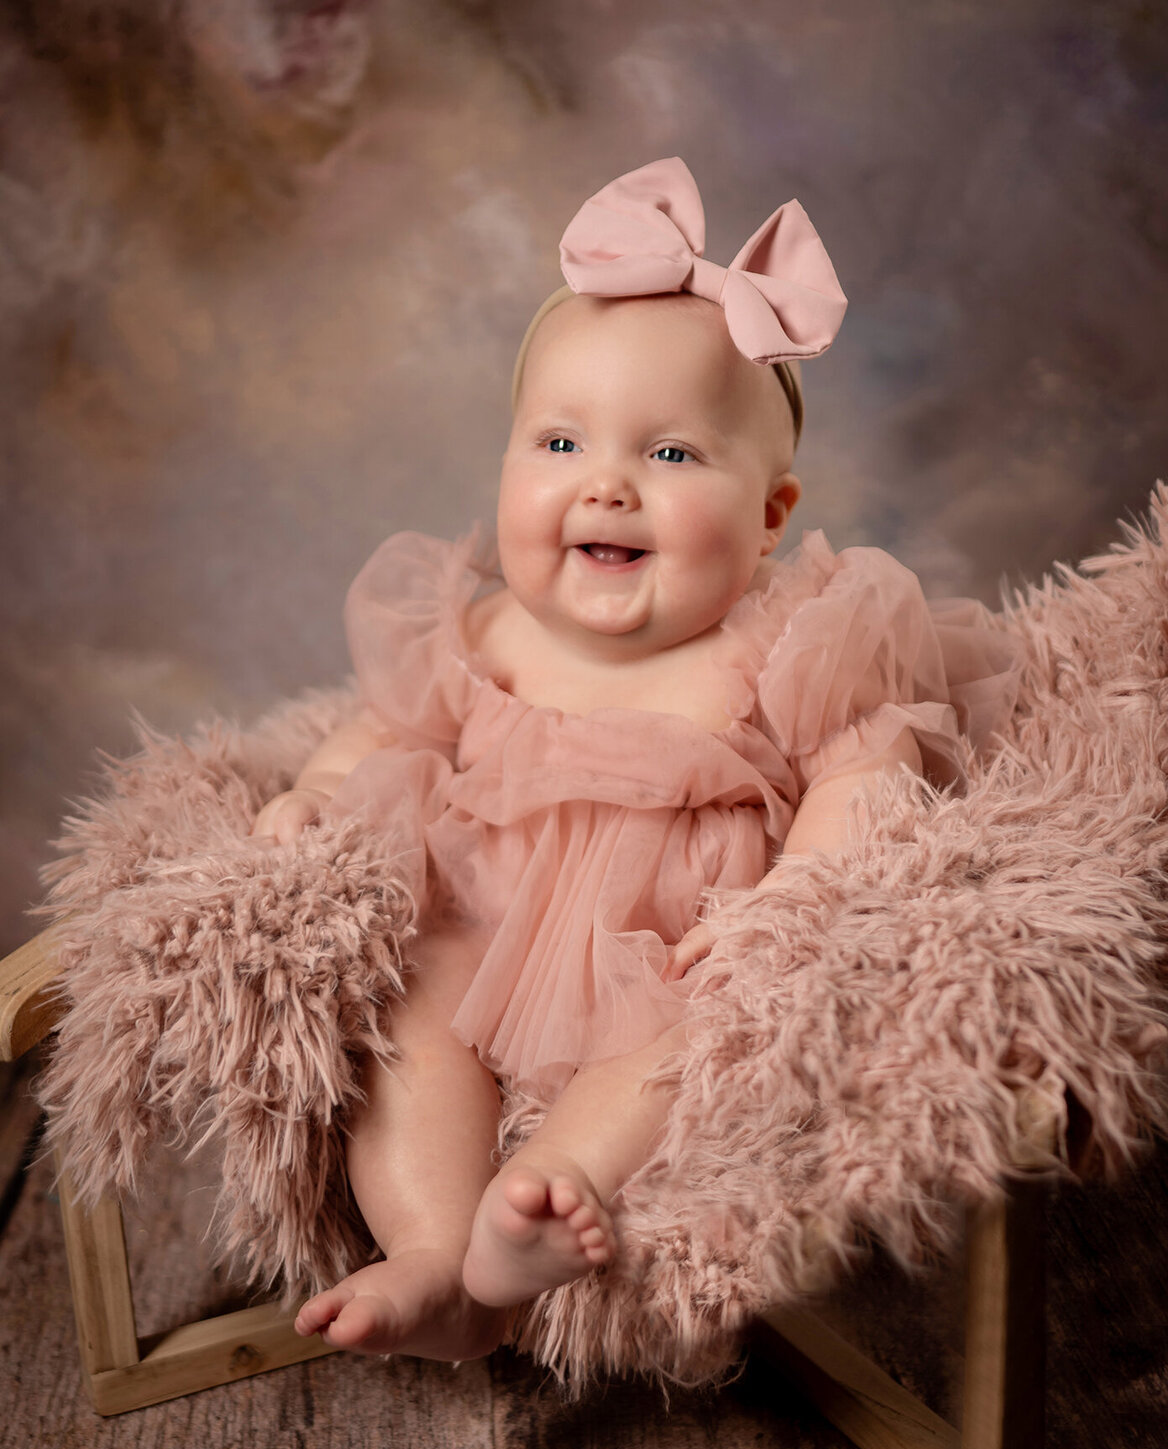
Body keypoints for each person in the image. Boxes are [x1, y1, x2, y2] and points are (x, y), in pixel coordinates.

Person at [251, 158, 1016, 1362]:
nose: (603, 480)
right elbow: (394, 729)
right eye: (560, 439)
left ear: (769, 516)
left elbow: (865, 766)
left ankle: (545, 1200)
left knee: (682, 1040)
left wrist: (801, 895)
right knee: (412, 1010)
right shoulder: (485, 627)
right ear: (506, 464)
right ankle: (435, 1251)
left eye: (669, 455)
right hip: (480, 912)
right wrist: (312, 790)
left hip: (670, 940)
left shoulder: (788, 637)